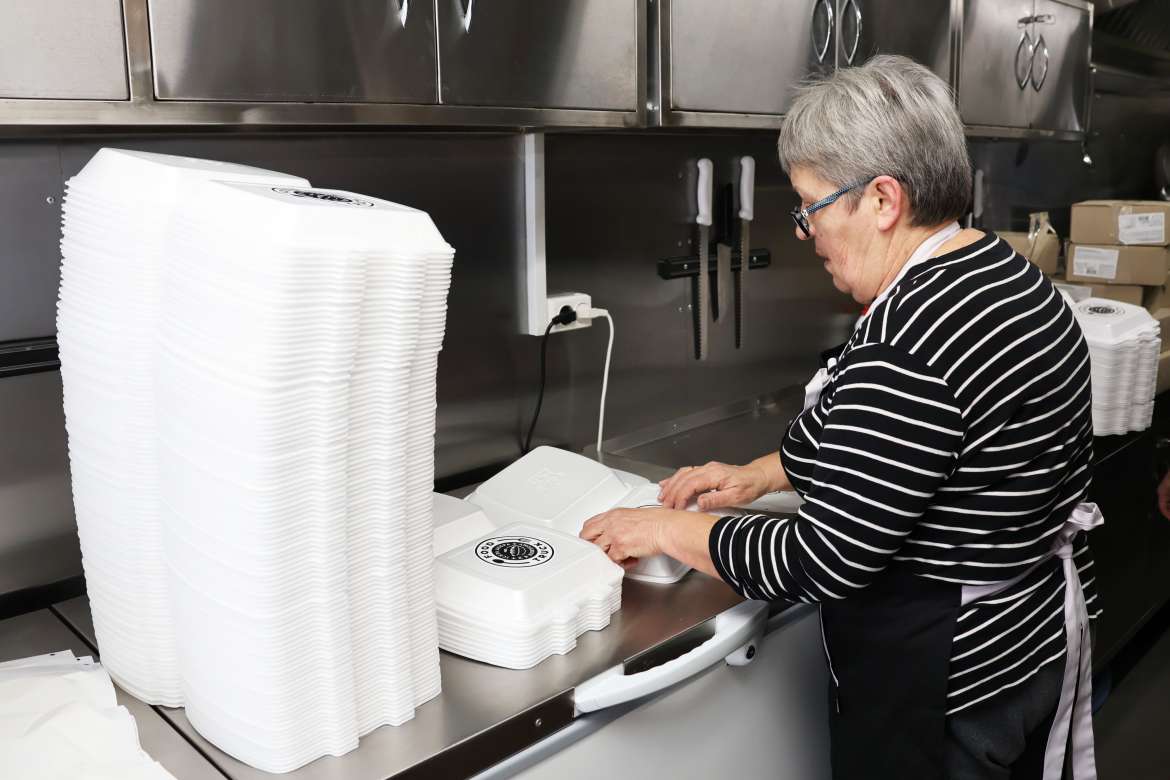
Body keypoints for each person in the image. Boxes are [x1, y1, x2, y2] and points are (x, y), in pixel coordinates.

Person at [581, 55, 1102, 780]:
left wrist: (663, 529)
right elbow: (914, 445)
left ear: (882, 199)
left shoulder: (911, 339)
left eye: (811, 205)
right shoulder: (1003, 276)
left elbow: (823, 558)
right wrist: (760, 474)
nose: (804, 231)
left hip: (944, 686)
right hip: (1025, 643)